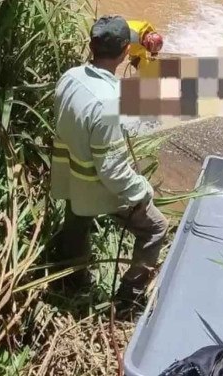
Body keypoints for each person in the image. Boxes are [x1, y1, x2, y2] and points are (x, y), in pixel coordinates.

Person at [50, 15, 169, 314]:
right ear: (125, 52)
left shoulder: (71, 76)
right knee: (156, 228)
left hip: (70, 176)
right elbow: (113, 171)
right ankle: (129, 298)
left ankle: (74, 278)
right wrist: (142, 191)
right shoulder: (110, 103)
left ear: (91, 46)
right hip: (97, 185)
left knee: (77, 221)